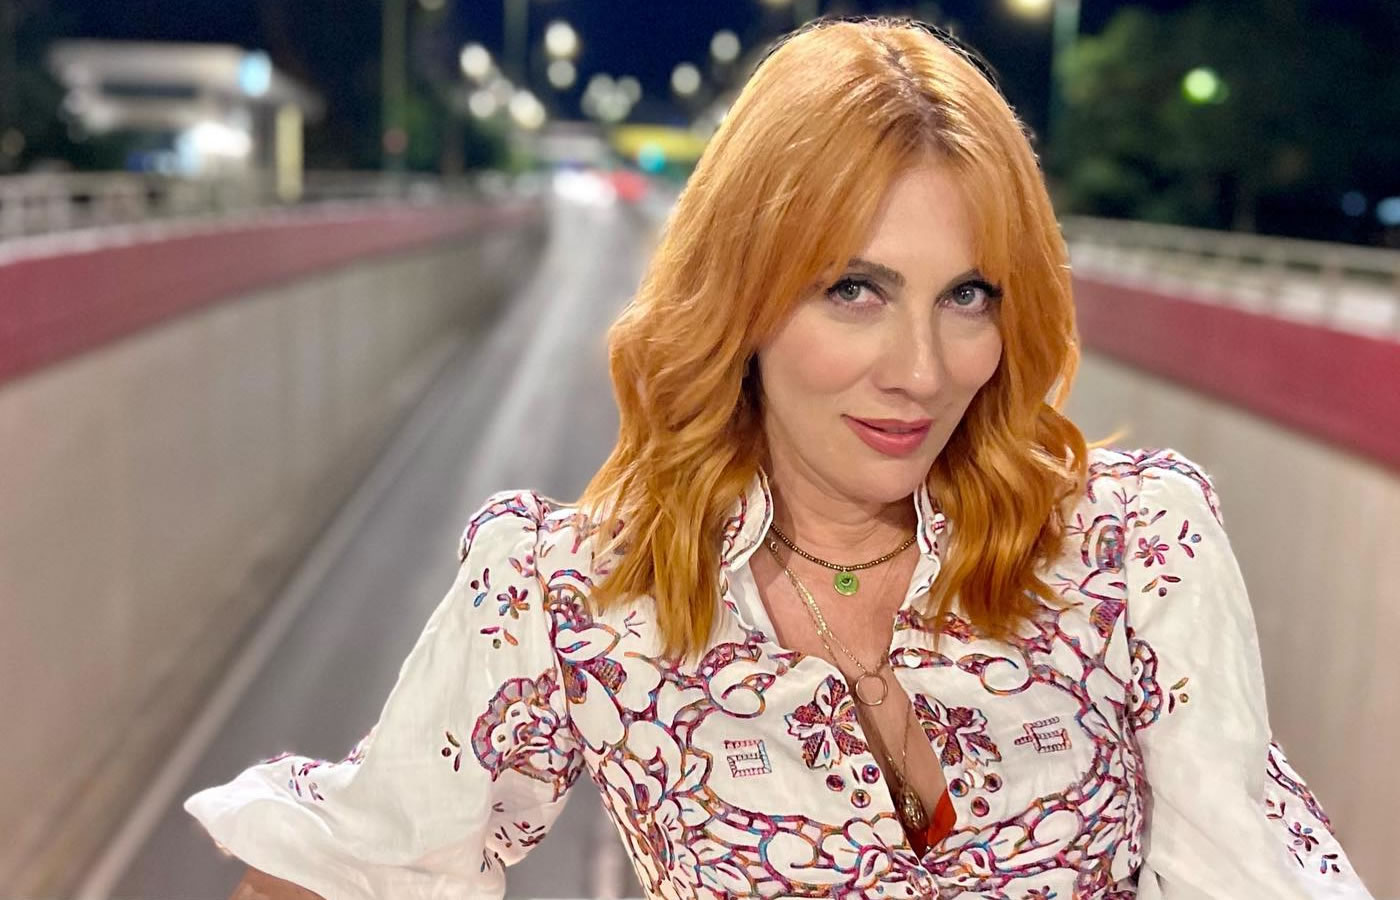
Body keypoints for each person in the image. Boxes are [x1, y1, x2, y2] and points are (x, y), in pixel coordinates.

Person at [187, 16, 1374, 900]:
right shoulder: (574, 601)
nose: (920, 369)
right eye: (853, 289)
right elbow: (340, 869)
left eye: (967, 295)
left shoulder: (1134, 555)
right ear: (743, 298)